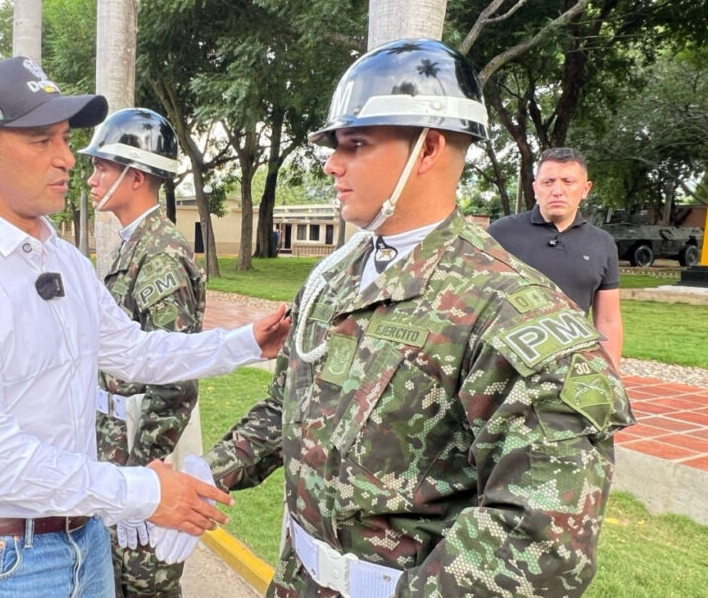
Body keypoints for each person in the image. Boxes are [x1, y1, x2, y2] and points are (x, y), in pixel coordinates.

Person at [191, 39, 635, 597]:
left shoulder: (509, 307)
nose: (332, 163)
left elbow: (543, 537)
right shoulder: (333, 279)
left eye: (355, 144)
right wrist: (204, 477)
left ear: (428, 149)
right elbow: (290, 407)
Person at [0, 55, 290, 597]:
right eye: (41, 141)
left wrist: (245, 343)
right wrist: (145, 492)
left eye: (64, 139)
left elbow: (132, 351)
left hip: (83, 543)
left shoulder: (62, 259)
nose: (67, 159)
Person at [82, 108, 205, 597]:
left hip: (141, 450)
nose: (91, 179)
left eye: (102, 169)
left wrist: (142, 480)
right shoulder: (134, 244)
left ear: (134, 177)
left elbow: (175, 379)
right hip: (118, 445)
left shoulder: (160, 254)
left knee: (144, 583)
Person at [487, 148, 622, 367]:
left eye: (568, 181)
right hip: (503, 362)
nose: (557, 190)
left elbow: (608, 320)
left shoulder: (602, 243)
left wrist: (611, 374)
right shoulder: (501, 233)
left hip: (570, 364)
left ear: (586, 189)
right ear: (535, 187)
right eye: (548, 182)